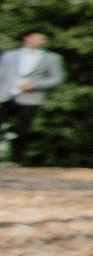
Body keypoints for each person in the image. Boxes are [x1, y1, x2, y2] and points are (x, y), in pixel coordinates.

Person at [0, 29, 66, 162]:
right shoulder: (9, 55)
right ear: (26, 38)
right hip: (6, 95)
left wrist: (34, 85)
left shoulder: (52, 58)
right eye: (37, 38)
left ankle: (15, 160)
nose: (41, 41)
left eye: (42, 39)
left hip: (31, 98)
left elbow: (57, 78)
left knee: (22, 129)